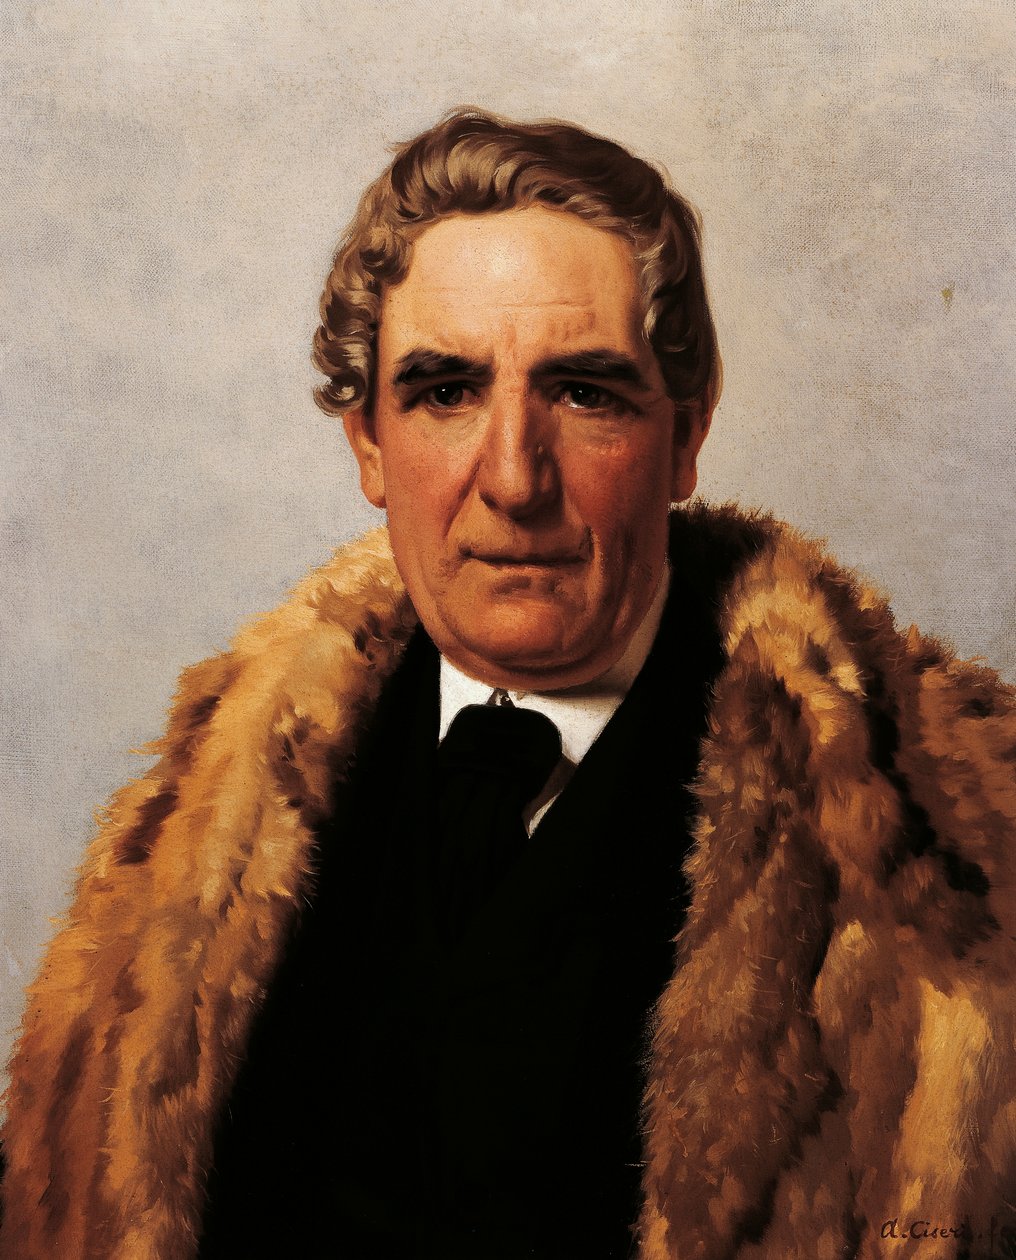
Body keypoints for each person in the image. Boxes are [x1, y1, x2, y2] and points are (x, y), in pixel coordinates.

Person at [2, 108, 1014, 1260]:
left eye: (583, 394)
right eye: (445, 393)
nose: (513, 479)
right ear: (367, 445)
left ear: (684, 437)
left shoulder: (960, 869)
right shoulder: (181, 847)